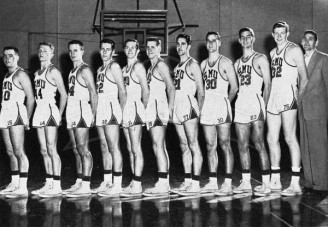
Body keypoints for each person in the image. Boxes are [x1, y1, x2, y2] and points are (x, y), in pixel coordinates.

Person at [266, 21, 308, 196]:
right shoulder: (272, 52)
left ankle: (295, 183)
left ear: (288, 33)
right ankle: (275, 180)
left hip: (288, 96)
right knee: (271, 138)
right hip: (274, 97)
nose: (279, 35)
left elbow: (304, 78)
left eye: (282, 32)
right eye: (276, 32)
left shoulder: (294, 50)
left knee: (289, 138)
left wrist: (296, 99)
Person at [233, 28, 271, 197]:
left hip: (256, 102)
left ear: (253, 39)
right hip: (241, 103)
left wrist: (266, 107)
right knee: (241, 144)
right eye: (243, 38)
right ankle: (246, 182)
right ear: (240, 41)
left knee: (259, 143)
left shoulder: (260, 59)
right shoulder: (236, 63)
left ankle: (266, 184)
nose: (246, 40)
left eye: (249, 37)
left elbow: (268, 85)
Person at [199, 31, 238, 196]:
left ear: (219, 43)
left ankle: (228, 182)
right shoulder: (202, 64)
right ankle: (213, 181)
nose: (211, 44)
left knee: (225, 144)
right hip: (207, 106)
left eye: (214, 41)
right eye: (208, 41)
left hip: (221, 105)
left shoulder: (226, 63)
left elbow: (235, 87)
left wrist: (226, 102)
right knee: (210, 146)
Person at [31, 42, 68, 197]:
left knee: (52, 148)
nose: (41, 53)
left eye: (45, 51)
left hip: (50, 109)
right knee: (43, 149)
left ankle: (57, 185)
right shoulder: (36, 73)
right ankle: (49, 182)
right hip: (39, 110)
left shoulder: (54, 71)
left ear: (52, 53)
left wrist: (59, 115)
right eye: (40, 50)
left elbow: (64, 95)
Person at [170, 33, 205, 196]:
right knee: (183, 146)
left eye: (183, 44)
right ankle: (188, 180)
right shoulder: (177, 67)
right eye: (178, 44)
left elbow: (201, 90)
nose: (180, 47)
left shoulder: (193, 64)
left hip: (189, 106)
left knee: (193, 144)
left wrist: (200, 111)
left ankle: (196, 183)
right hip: (178, 106)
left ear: (189, 46)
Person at [63, 40, 98, 197]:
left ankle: (86, 184)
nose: (72, 53)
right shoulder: (72, 71)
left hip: (82, 110)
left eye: (75, 50)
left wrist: (94, 114)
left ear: (82, 51)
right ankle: (79, 181)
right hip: (72, 110)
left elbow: (93, 92)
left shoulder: (85, 70)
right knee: (76, 149)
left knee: (84, 149)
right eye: (70, 50)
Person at [93, 39, 127, 197]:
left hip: (111, 108)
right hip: (101, 108)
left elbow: (122, 90)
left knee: (114, 147)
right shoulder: (100, 68)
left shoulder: (114, 66)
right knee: (104, 147)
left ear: (113, 52)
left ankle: (118, 184)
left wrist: (122, 112)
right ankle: (107, 181)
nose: (105, 52)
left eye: (108, 49)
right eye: (102, 49)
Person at [142, 37, 175, 197]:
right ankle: (164, 182)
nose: (149, 50)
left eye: (153, 47)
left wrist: (169, 110)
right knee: (157, 145)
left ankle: (163, 183)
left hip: (158, 108)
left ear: (159, 48)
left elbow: (171, 87)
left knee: (158, 145)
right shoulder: (151, 67)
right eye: (147, 47)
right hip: (151, 109)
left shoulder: (161, 65)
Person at [0, 46, 35, 198]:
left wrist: (26, 118)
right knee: (10, 151)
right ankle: (14, 183)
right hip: (5, 111)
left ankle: (23, 186)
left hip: (16, 112)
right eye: (5, 56)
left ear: (17, 57)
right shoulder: (7, 74)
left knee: (19, 150)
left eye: (10, 55)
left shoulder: (21, 74)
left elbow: (31, 98)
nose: (7, 58)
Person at [299, 30, 328, 193]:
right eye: (305, 39)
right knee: (306, 147)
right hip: (302, 110)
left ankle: (322, 184)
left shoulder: (324, 59)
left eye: (311, 39)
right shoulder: (299, 60)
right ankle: (310, 182)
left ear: (316, 42)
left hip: (318, 111)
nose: (307, 42)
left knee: (319, 148)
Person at [120, 39, 149, 197]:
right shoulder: (124, 68)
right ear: (124, 50)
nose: (130, 50)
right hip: (126, 110)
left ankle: (138, 183)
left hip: (135, 109)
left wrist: (142, 110)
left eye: (133, 48)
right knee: (130, 149)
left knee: (136, 148)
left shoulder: (138, 66)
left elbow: (145, 90)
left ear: (138, 50)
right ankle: (133, 180)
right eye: (127, 47)